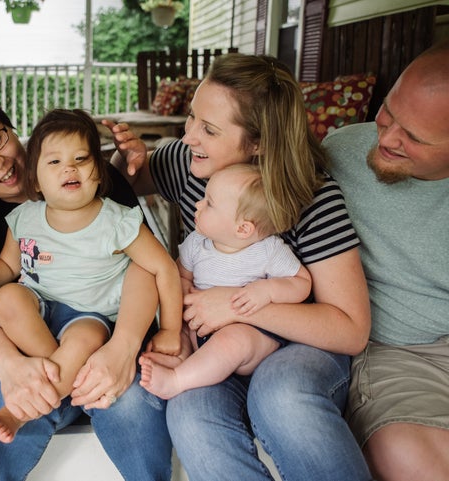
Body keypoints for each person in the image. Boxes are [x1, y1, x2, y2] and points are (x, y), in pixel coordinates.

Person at [110, 52, 373, 480]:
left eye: (208, 129)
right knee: (190, 411)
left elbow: (350, 329)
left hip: (301, 347)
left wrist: (235, 306)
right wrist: (128, 157)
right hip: (215, 346)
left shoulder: (312, 197)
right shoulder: (188, 162)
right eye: (192, 118)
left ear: (259, 143)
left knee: (280, 394)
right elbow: (126, 182)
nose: (188, 136)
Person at [0, 91, 176, 480]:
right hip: (39, 337)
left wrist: (125, 345)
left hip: (103, 326)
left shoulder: (92, 187)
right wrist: (9, 364)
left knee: (128, 402)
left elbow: (147, 268)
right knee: (11, 383)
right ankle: (54, 383)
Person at [323, 40, 449, 481]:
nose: (387, 136)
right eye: (389, 111)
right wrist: (137, 171)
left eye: (414, 137)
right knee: (407, 455)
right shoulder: (339, 151)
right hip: (399, 354)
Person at [139, 163, 312, 400]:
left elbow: (302, 282)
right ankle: (182, 358)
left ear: (242, 228)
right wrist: (185, 289)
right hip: (201, 325)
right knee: (181, 330)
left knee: (232, 342)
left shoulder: (268, 250)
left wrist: (267, 290)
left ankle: (178, 379)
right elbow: (179, 275)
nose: (198, 204)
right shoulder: (196, 243)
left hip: (250, 336)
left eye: (209, 203)